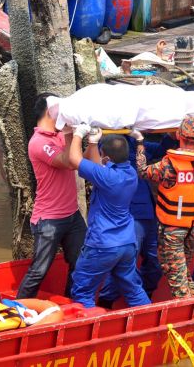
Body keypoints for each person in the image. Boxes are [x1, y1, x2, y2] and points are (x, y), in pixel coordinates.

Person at [67, 127, 150, 308]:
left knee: (83, 292)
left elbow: (74, 159)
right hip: (127, 244)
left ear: (107, 158)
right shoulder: (130, 173)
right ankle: (153, 322)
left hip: (102, 244)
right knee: (133, 289)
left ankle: (87, 332)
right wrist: (139, 140)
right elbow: (98, 167)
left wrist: (77, 134)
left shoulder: (107, 176)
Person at [134, 115, 194, 298]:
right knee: (184, 271)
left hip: (173, 230)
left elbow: (142, 171)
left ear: (179, 135)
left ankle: (187, 316)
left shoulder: (169, 165)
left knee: (177, 277)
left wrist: (140, 144)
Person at [15, 94, 86, 299]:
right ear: (49, 111)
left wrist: (74, 133)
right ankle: (19, 308)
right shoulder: (38, 143)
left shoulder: (59, 134)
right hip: (49, 219)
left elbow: (79, 158)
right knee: (39, 270)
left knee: (80, 263)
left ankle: (71, 302)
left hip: (72, 215)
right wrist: (73, 133)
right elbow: (69, 161)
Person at [96, 134, 163, 307]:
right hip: (130, 215)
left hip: (149, 212)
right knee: (126, 264)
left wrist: (140, 139)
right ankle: (106, 301)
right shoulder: (109, 142)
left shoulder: (133, 139)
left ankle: (144, 295)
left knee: (155, 262)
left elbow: (163, 148)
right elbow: (100, 162)